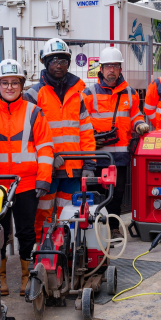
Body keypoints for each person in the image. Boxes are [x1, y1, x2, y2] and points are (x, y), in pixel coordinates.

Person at [0, 59, 54, 296]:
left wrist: (43, 178)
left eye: (14, 82)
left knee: (26, 231)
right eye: (4, 82)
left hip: (26, 184)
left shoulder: (34, 112)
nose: (9, 87)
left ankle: (27, 276)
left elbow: (45, 147)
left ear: (22, 85)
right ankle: (1, 276)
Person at [24, 38, 96, 242]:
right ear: (46, 63)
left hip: (73, 169)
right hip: (46, 171)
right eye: (54, 60)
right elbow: (27, 136)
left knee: (70, 215)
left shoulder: (78, 95)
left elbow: (86, 131)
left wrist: (89, 162)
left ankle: (66, 252)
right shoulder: (34, 95)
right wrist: (48, 158)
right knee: (43, 216)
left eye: (63, 61)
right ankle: (41, 253)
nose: (59, 65)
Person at [82, 46, 149, 238]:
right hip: (96, 154)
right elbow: (82, 120)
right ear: (101, 69)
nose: (111, 70)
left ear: (120, 69)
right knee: (95, 193)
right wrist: (93, 136)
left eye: (115, 66)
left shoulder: (130, 93)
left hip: (119, 156)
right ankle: (95, 229)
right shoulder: (89, 93)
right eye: (108, 66)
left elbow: (135, 114)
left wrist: (140, 124)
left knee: (117, 194)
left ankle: (113, 227)